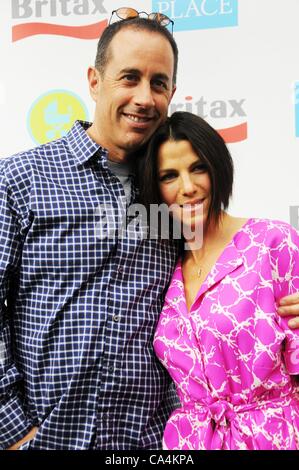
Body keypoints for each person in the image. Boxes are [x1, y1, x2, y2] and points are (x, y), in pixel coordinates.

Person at [0, 10, 298, 450]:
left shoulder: (175, 202)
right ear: (94, 80)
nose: (144, 97)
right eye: (129, 77)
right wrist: (14, 430)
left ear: (172, 92)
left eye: (158, 83)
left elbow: (237, 285)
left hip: (153, 447)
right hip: (44, 442)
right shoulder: (21, 180)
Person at [138, 110, 299, 450]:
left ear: (217, 168)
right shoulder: (164, 266)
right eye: (170, 176)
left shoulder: (273, 243)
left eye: (198, 168)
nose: (188, 187)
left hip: (273, 438)